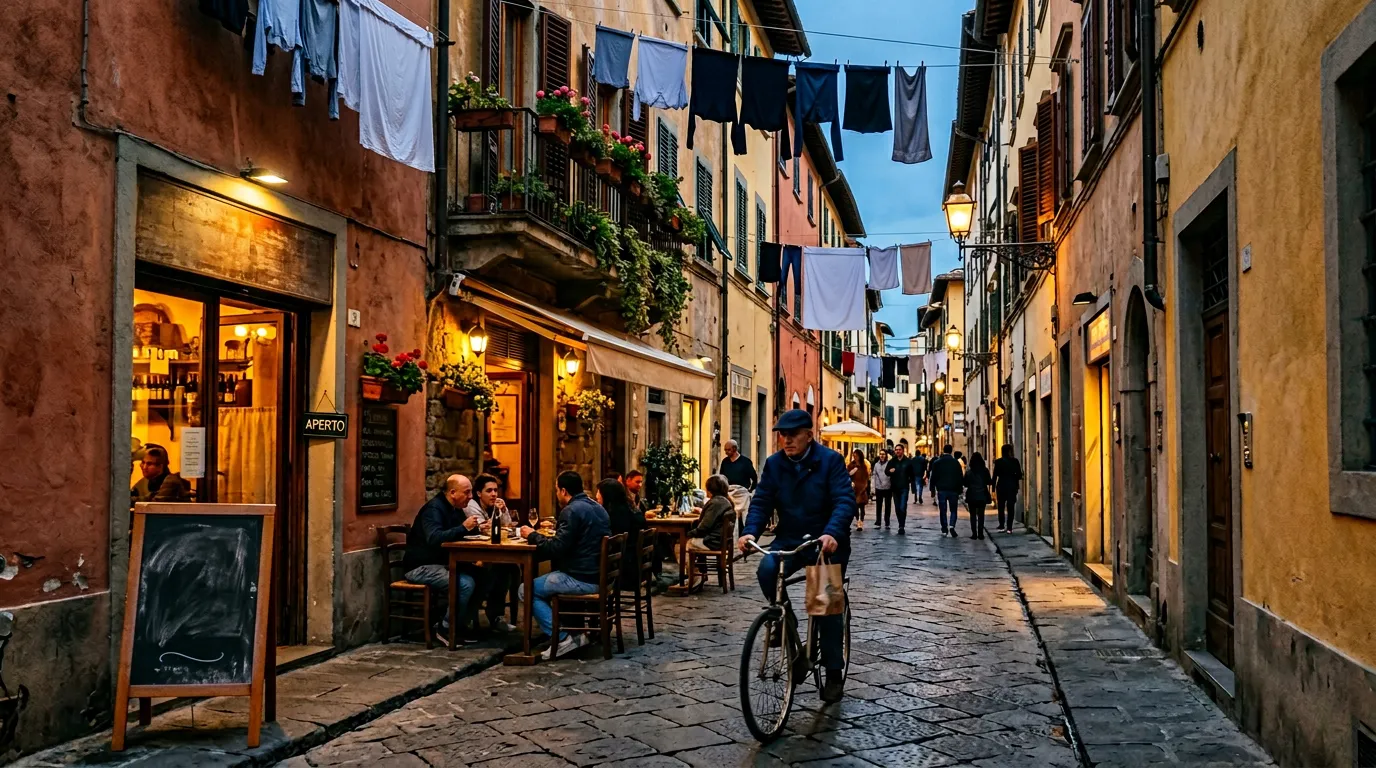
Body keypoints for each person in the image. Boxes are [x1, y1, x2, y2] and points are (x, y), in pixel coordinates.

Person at [738, 410, 855, 704]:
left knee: (824, 605)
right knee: (766, 569)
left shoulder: (830, 461)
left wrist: (832, 533)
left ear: (809, 435)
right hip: (790, 539)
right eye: (782, 435)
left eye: (793, 434)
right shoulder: (775, 464)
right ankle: (785, 618)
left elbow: (844, 500)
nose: (786, 440)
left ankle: (833, 672)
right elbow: (762, 500)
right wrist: (750, 532)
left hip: (824, 541)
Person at [519, 472, 611, 659]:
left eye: (556, 490)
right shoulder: (597, 507)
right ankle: (573, 632)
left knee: (526, 589)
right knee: (544, 582)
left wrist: (531, 535)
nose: (556, 494)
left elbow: (557, 548)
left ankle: (562, 637)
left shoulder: (570, 511)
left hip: (581, 577)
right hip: (598, 574)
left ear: (563, 490)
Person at [402, 474, 480, 644]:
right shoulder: (434, 509)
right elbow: (435, 538)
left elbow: (461, 532)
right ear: (453, 493)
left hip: (442, 563)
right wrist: (463, 527)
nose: (471, 497)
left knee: (481, 575)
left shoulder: (455, 509)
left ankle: (460, 625)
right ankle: (445, 628)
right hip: (421, 566)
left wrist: (477, 528)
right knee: (464, 584)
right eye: (467, 493)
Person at [464, 473, 516, 634]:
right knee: (496, 571)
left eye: (496, 490)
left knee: (510, 568)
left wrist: (504, 510)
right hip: (471, 556)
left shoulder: (493, 506)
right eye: (489, 491)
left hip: (488, 554)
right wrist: (496, 522)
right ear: (479, 493)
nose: (494, 494)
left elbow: (508, 526)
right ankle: (488, 616)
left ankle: (496, 615)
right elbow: (486, 530)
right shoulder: (471, 506)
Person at [597, 477, 645, 590]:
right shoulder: (631, 509)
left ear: (608, 495)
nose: (596, 496)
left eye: (599, 492)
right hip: (635, 567)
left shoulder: (615, 515)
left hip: (623, 571)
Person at [688, 474, 735, 552]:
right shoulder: (725, 501)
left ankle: (689, 564)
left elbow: (704, 527)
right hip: (719, 540)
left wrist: (687, 534)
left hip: (712, 542)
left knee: (681, 544)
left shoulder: (716, 502)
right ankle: (701, 564)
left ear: (710, 490)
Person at [929, 445, 966, 537]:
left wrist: (932, 489)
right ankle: (952, 525)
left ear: (943, 450)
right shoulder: (955, 463)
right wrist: (960, 488)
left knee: (943, 510)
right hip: (953, 490)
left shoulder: (937, 463)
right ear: (951, 451)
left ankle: (944, 528)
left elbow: (933, 477)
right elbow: (960, 476)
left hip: (941, 490)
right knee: (953, 509)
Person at [991, 444, 1024, 534]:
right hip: (1012, 487)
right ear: (1010, 451)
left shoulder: (998, 462)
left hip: (1001, 486)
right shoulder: (1015, 461)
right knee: (1011, 507)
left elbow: (994, 477)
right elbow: (1019, 475)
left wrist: (993, 489)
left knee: (1001, 507)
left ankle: (1001, 525)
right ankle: (1009, 527)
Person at [963, 452, 994, 539]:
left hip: (972, 495)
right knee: (981, 515)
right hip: (982, 495)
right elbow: (989, 482)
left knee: (972, 515)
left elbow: (965, 483)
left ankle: (974, 534)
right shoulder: (985, 471)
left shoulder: (969, 472)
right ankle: (980, 534)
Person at [883, 443, 912, 534]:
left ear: (903, 451)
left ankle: (901, 526)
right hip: (894, 488)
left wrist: (910, 481)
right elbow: (886, 472)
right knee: (897, 508)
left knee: (903, 507)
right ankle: (900, 524)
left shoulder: (908, 461)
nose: (897, 451)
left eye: (899, 449)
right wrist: (889, 471)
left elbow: (912, 474)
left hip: (904, 488)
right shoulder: (892, 461)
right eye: (896, 450)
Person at [847, 449, 870, 531]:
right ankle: (857, 520)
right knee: (855, 507)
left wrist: (865, 487)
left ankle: (861, 521)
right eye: (854, 455)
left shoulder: (864, 466)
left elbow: (866, 477)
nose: (855, 457)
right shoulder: (851, 465)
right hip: (854, 488)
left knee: (862, 506)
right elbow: (847, 475)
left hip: (862, 488)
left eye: (856, 455)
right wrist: (853, 471)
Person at [870, 449, 892, 530]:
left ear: (886, 455)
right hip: (879, 488)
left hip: (888, 488)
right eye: (880, 454)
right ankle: (878, 522)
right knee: (878, 506)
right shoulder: (876, 465)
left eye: (883, 454)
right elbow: (874, 476)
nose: (882, 455)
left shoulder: (889, 464)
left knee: (887, 506)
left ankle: (887, 522)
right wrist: (873, 488)